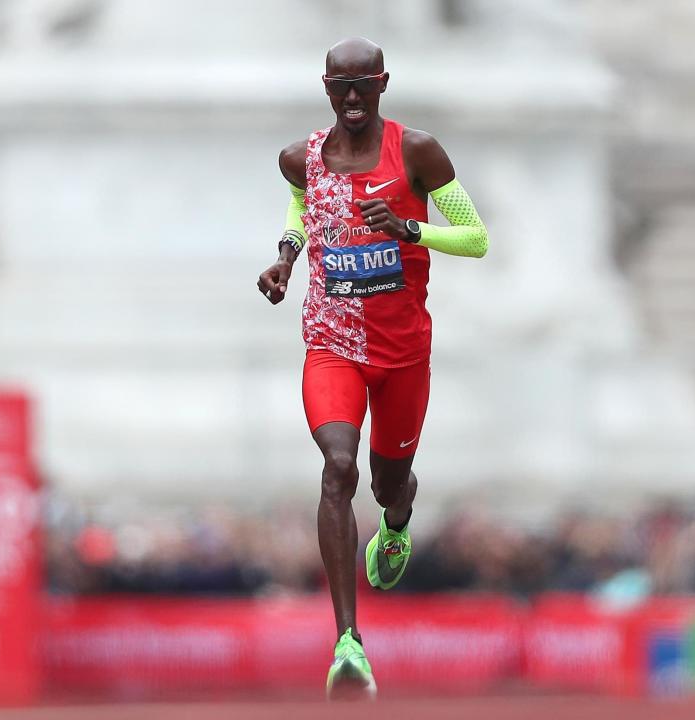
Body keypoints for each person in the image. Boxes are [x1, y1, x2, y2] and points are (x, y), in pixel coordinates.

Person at [256, 37, 488, 699]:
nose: (352, 98)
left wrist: (411, 231)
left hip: (403, 352)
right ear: (325, 88)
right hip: (332, 345)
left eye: (364, 85)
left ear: (383, 84)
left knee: (390, 483)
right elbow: (305, 208)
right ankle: (347, 644)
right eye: (341, 87)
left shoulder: (417, 152)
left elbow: (475, 236)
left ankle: (395, 526)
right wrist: (285, 257)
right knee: (337, 466)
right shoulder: (299, 158)